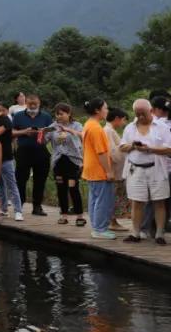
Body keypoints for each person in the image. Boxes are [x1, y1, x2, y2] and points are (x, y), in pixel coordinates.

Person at [121, 99, 171, 244]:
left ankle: (159, 234)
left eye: (143, 113)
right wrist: (133, 146)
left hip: (156, 167)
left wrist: (149, 149)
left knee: (159, 201)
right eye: (137, 114)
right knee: (137, 202)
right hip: (136, 168)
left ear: (150, 111)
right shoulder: (130, 127)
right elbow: (122, 146)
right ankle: (135, 233)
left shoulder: (161, 127)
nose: (140, 116)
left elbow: (169, 149)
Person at [11, 94, 53, 216]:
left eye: (35, 104)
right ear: (26, 103)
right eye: (30, 104)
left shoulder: (46, 116)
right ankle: (20, 205)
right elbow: (11, 132)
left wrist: (42, 134)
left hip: (41, 150)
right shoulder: (18, 116)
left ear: (39, 103)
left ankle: (37, 206)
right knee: (21, 179)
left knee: (40, 180)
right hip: (24, 150)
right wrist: (25, 131)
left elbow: (51, 132)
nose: (33, 106)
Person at [82, 98, 116, 241]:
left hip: (91, 168)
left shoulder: (88, 124)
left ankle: (97, 227)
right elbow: (101, 152)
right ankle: (99, 229)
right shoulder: (96, 128)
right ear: (97, 110)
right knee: (103, 200)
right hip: (98, 169)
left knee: (95, 199)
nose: (107, 111)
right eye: (105, 108)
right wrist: (108, 171)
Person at [48, 103, 85, 227]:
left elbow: (83, 136)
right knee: (61, 188)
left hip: (73, 161)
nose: (59, 116)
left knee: (73, 187)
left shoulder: (77, 125)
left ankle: (79, 215)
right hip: (58, 161)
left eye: (61, 114)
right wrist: (40, 133)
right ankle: (63, 215)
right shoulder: (53, 126)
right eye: (57, 114)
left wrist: (68, 130)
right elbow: (44, 140)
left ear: (69, 113)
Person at [104, 107, 130, 231]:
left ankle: (112, 221)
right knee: (113, 196)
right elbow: (112, 152)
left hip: (116, 170)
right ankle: (111, 222)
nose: (124, 123)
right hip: (114, 170)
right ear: (117, 119)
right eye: (124, 120)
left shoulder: (110, 130)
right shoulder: (109, 131)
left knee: (115, 196)